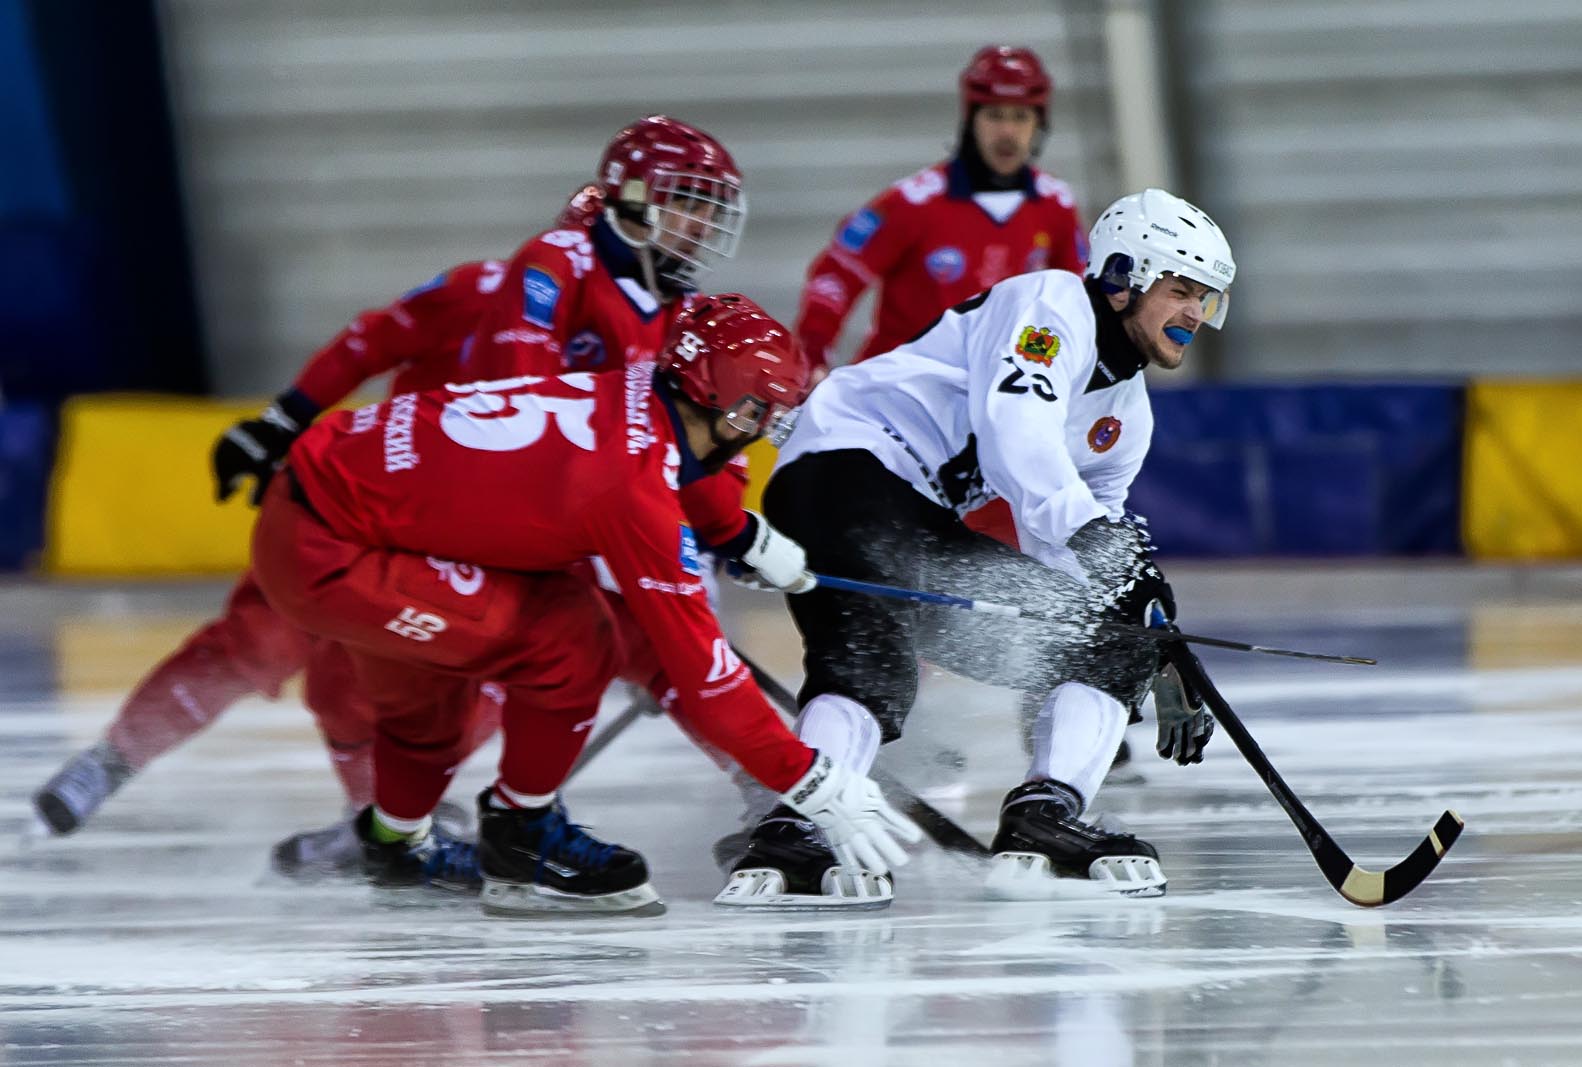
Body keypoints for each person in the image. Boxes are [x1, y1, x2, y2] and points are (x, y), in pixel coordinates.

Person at [30, 115, 751, 867]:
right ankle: (120, 761)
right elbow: (375, 339)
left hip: (464, 537)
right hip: (368, 507)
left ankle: (384, 818)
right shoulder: (497, 288)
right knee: (262, 641)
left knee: (456, 675)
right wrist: (280, 422)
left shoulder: (656, 334)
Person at [251, 293, 921, 913]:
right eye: (758, 412)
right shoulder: (630, 491)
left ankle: (394, 847)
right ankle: (524, 834)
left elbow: (686, 465)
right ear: (718, 398)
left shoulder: (640, 387)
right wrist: (813, 782)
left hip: (338, 507)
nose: (762, 429)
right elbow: (704, 672)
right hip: (330, 551)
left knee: (426, 707)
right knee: (574, 637)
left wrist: (737, 531)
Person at [716, 189, 1233, 909]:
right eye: (1179, 290)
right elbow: (1017, 438)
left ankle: (797, 828)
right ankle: (1047, 814)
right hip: (854, 475)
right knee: (1105, 636)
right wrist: (1122, 602)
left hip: (834, 493)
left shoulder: (1129, 416)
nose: (1194, 314)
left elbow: (1082, 563)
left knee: (870, 669)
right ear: (1121, 278)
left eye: (1207, 297)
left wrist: (1153, 633)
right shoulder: (1053, 305)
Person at [793, 45, 1086, 378]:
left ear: (1039, 124)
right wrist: (813, 353)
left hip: (997, 394)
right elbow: (836, 276)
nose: (1007, 132)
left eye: (1020, 117)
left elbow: (1080, 301)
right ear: (970, 119)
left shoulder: (1056, 205)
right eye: (994, 115)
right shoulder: (913, 202)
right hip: (897, 392)